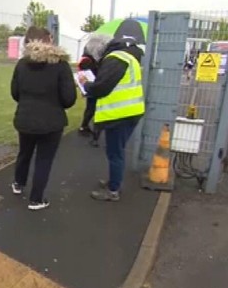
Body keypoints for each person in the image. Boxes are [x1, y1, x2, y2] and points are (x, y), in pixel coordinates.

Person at [10, 26, 77, 210]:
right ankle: (36, 198)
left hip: (25, 118)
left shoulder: (22, 64)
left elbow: (15, 93)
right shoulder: (61, 65)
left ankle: (18, 183)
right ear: (47, 40)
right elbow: (69, 98)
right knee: (44, 159)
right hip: (51, 121)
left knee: (24, 152)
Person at [78, 34, 146, 202]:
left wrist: (86, 84)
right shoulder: (125, 56)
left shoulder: (114, 59)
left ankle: (113, 190)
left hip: (121, 114)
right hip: (130, 111)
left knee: (115, 153)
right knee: (117, 151)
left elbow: (102, 87)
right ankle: (113, 182)